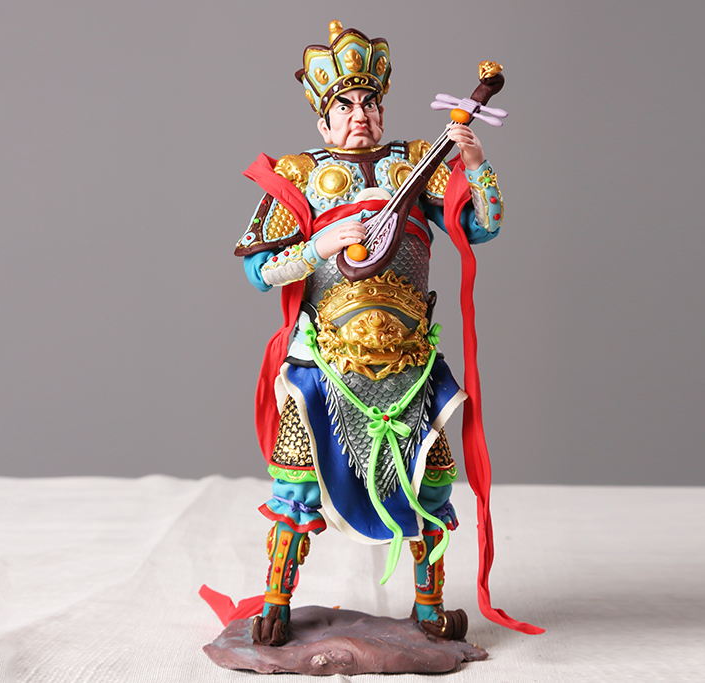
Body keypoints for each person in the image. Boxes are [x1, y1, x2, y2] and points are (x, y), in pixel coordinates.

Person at [234, 21, 510, 646]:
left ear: (382, 110)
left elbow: (484, 225)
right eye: (346, 105)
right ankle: (276, 601)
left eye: (369, 102)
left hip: (410, 361)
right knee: (297, 481)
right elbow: (259, 271)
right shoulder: (298, 173)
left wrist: (475, 162)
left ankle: (430, 605)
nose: (360, 114)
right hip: (326, 361)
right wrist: (317, 247)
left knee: (431, 479)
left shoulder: (417, 161)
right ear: (323, 119)